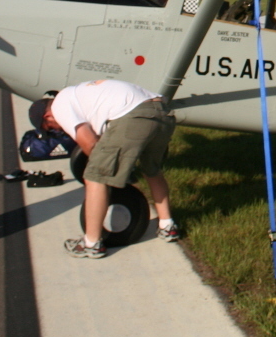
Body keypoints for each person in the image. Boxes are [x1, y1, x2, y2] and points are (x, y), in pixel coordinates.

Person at [29, 79, 180, 259]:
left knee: (95, 176)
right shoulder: (77, 93)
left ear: (48, 117)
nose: (57, 131)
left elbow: (90, 143)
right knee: (152, 170)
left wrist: (106, 171)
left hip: (134, 116)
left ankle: (91, 244)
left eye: (51, 128)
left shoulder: (60, 106)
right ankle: (168, 226)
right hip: (162, 113)